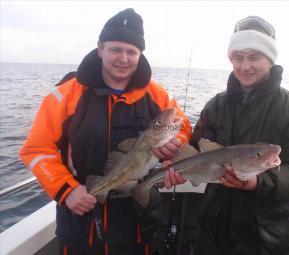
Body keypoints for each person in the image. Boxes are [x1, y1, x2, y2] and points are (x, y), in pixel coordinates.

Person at [20, 8, 191, 255]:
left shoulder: (158, 95)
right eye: (115, 49)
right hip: (83, 216)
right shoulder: (64, 96)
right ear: (100, 49)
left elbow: (184, 127)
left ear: (140, 54)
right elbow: (37, 149)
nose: (123, 58)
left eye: (131, 51)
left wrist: (174, 145)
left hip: (140, 220)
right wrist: (65, 190)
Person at [165, 16, 289, 255]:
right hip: (212, 234)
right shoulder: (215, 105)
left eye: (254, 57)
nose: (245, 66)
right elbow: (195, 151)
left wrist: (259, 182)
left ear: (270, 59)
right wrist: (173, 161)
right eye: (238, 58)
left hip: (266, 240)